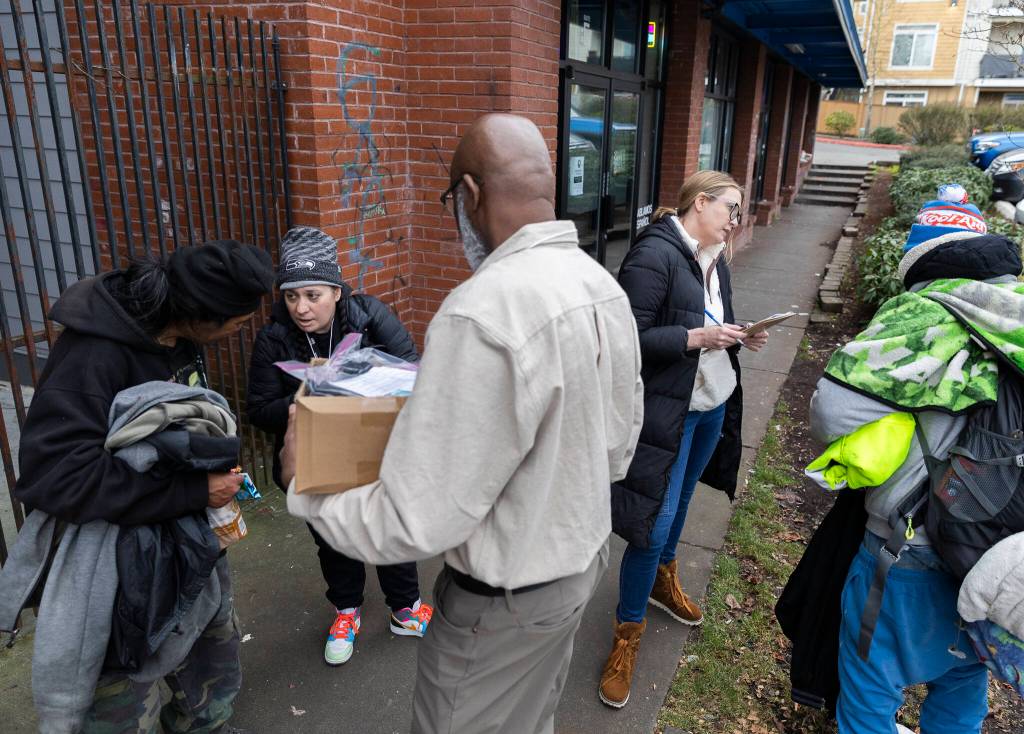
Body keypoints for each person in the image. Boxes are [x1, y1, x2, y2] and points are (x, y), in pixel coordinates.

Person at [283, 113, 643, 733]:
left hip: (501, 605)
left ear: (470, 195)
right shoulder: (599, 283)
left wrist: (306, 488)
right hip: (577, 567)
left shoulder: (480, 311)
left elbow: (414, 521)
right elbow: (616, 447)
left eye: (453, 201)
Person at [10, 240, 274, 733]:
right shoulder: (92, 357)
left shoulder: (178, 336)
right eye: (237, 320)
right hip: (120, 567)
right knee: (123, 690)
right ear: (199, 313)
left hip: (188, 545)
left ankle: (201, 723)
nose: (243, 328)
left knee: (209, 654)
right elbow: (57, 476)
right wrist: (194, 494)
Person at [808, 185, 1018, 733]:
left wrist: (903, 423)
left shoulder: (923, 314)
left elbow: (833, 413)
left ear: (919, 259)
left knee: (871, 683)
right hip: (999, 556)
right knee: (963, 683)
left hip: (912, 546)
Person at [600, 170, 769, 709]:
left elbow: (716, 318)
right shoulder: (655, 254)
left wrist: (741, 334)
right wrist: (697, 337)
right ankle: (626, 637)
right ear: (701, 203)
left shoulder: (715, 255)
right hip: (668, 413)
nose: (736, 221)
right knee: (651, 523)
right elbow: (626, 337)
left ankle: (662, 582)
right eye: (731, 209)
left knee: (682, 504)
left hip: (710, 402)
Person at [247, 225, 430, 666]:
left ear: (336, 289)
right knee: (332, 537)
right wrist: (304, 399)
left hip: (376, 452)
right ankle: (346, 610)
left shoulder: (370, 316)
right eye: (292, 297)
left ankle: (403, 607)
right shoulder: (274, 338)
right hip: (315, 461)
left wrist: (359, 390)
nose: (301, 308)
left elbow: (412, 373)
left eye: (313, 295)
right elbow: (258, 408)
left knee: (387, 527)